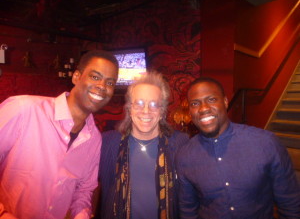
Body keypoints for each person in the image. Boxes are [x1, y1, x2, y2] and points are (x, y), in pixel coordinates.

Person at [0, 50, 119, 219]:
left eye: (110, 82)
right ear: (76, 77)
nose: (102, 86)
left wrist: (82, 214)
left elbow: (83, 191)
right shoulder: (22, 109)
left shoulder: (94, 140)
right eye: (95, 77)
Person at [175, 77, 300, 219]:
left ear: (225, 102)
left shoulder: (266, 143)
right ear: (190, 111)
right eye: (195, 103)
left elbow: (290, 202)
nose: (203, 108)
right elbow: (188, 209)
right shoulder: (184, 156)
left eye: (211, 100)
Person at [97, 72, 189, 219]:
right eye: (139, 103)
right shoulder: (107, 143)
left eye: (153, 104)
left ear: (162, 111)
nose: (146, 111)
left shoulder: (181, 144)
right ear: (129, 109)